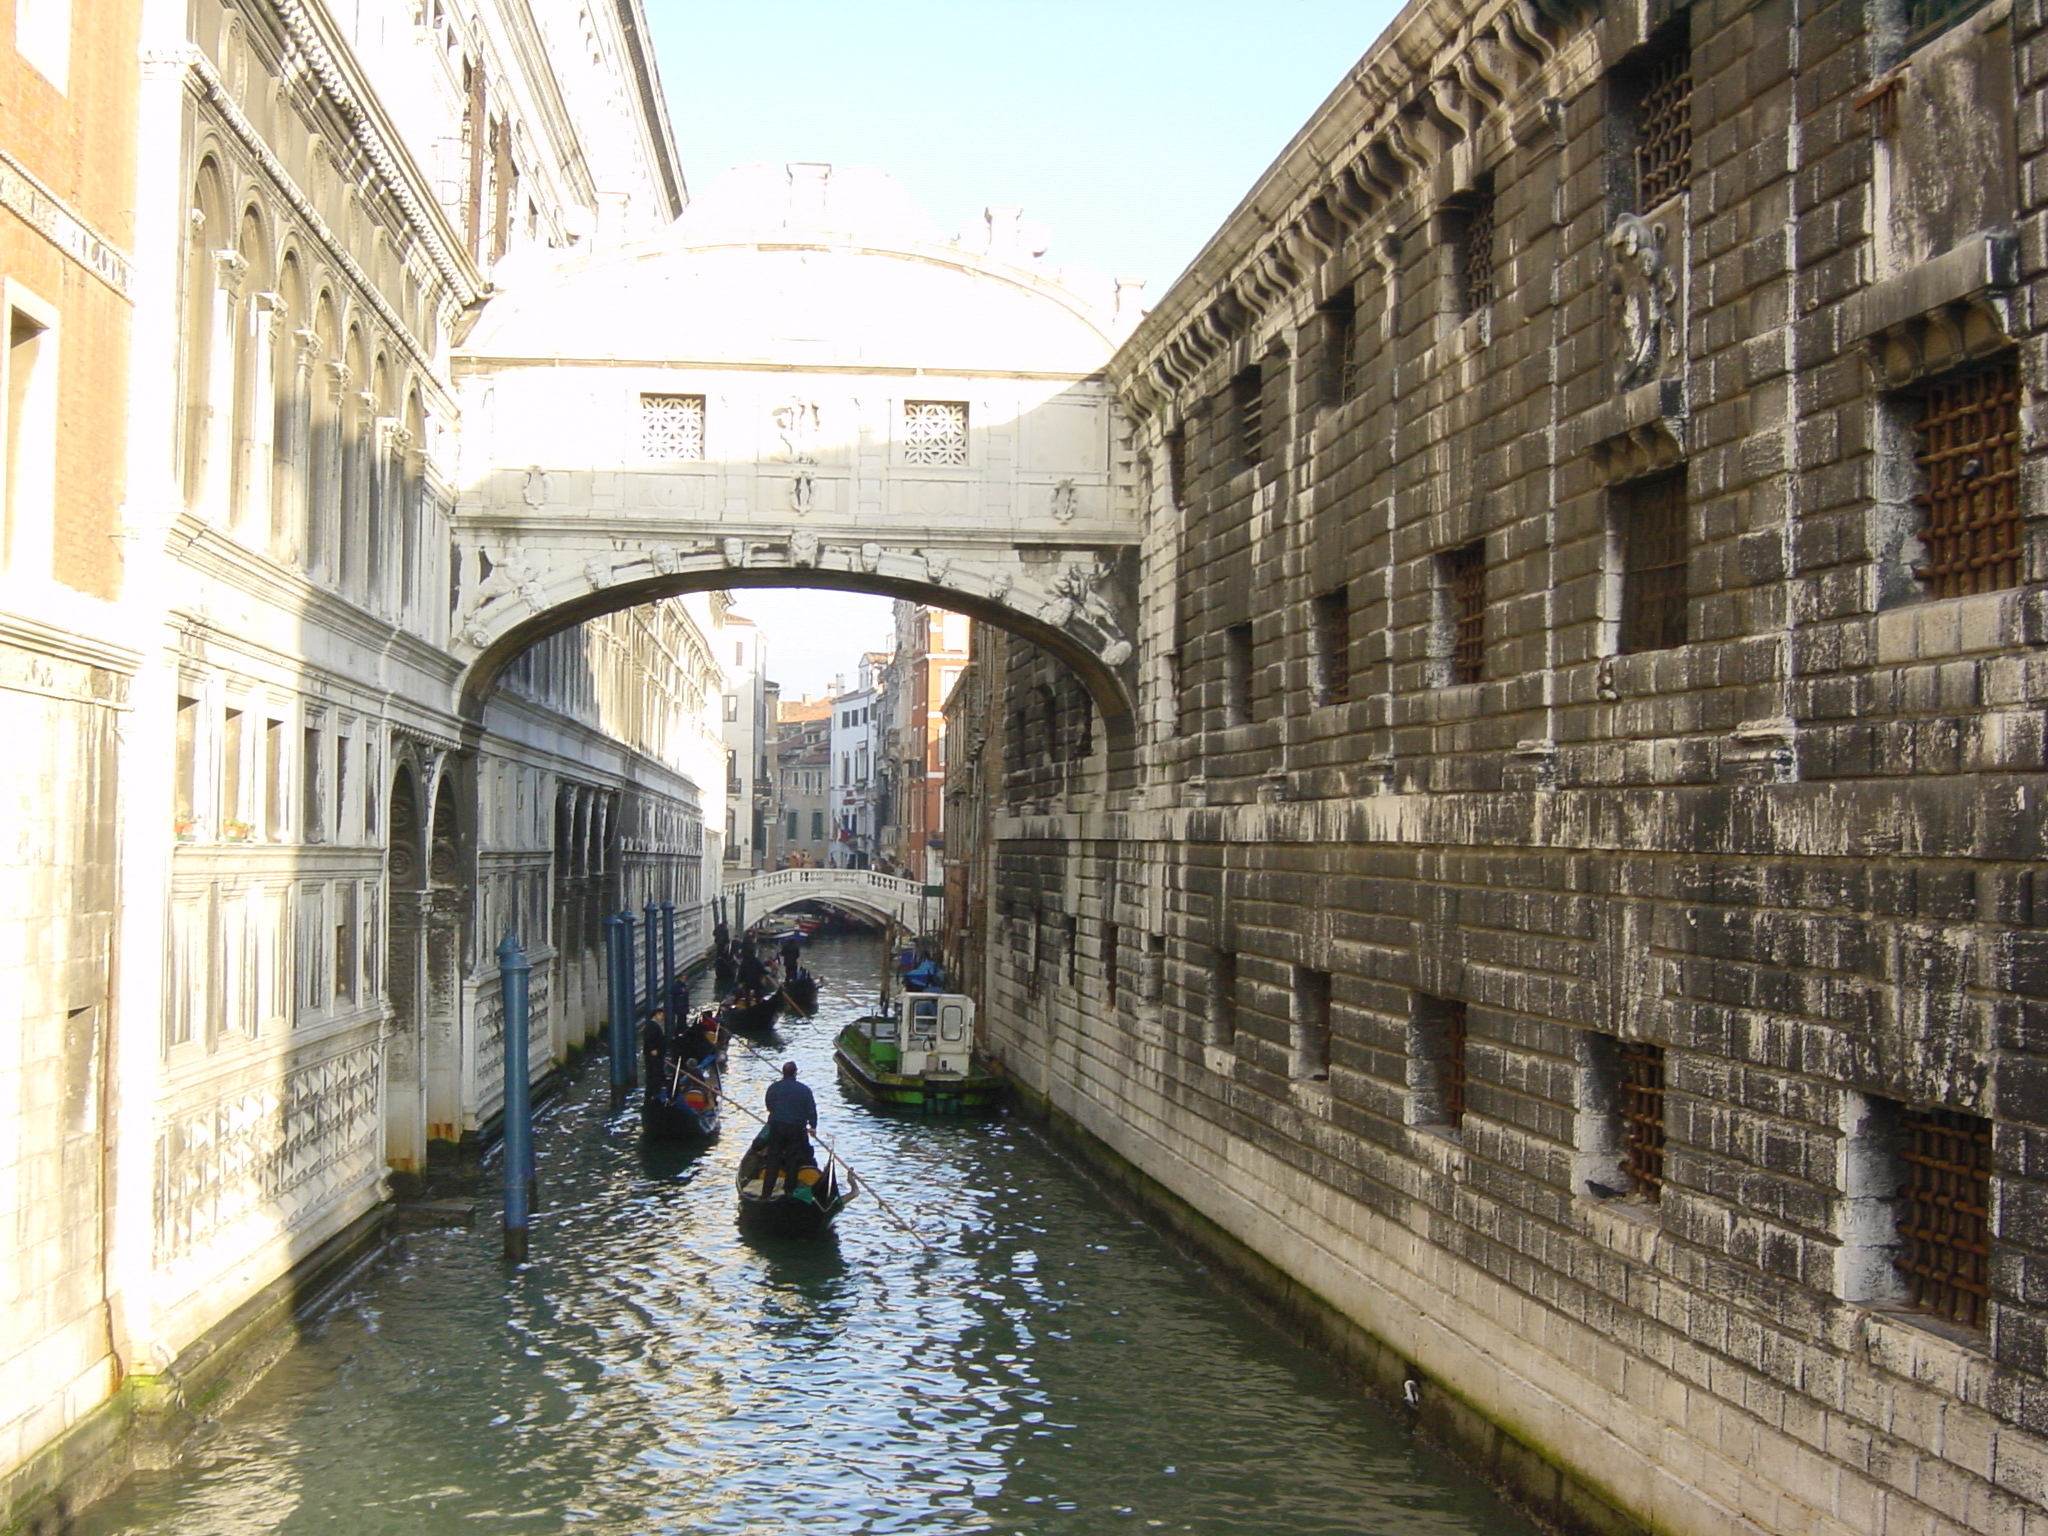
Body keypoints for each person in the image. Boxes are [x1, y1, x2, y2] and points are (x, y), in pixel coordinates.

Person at [759, 1061, 818, 1198]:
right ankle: (789, 1191)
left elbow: (769, 1106)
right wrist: (813, 1126)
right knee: (793, 1159)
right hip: (796, 1128)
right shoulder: (804, 1090)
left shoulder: (773, 1088)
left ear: (783, 1073)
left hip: (777, 1126)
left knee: (773, 1158)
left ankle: (766, 1192)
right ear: (795, 1072)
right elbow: (811, 1110)